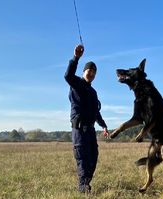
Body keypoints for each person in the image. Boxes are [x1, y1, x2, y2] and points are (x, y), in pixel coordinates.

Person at [64, 44, 109, 193]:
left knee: (93, 158)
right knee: (82, 159)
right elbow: (67, 76)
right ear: (84, 72)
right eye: (89, 71)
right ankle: (83, 187)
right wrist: (76, 58)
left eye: (94, 73)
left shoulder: (93, 92)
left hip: (90, 130)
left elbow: (96, 112)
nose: (92, 74)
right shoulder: (76, 83)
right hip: (79, 130)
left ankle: (86, 183)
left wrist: (103, 125)